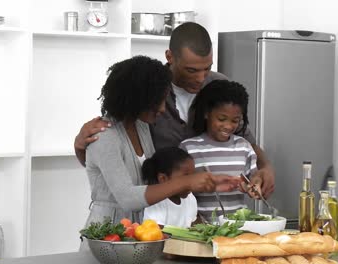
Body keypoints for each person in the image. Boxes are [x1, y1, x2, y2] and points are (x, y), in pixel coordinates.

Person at [74, 22, 275, 199]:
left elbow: (247, 141)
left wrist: (266, 168)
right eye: (191, 70)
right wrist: (80, 145)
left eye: (207, 68)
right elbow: (111, 156)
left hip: (211, 206)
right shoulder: (147, 93)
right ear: (169, 56)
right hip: (161, 206)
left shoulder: (219, 85)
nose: (201, 78)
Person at [83, 55, 239, 228]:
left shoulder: (141, 126)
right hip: (107, 235)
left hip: (140, 236)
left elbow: (157, 176)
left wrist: (208, 180)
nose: (163, 108)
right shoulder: (104, 136)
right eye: (157, 101)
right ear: (137, 98)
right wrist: (187, 181)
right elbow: (128, 199)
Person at [180, 80, 261, 222]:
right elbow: (181, 191)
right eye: (222, 119)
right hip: (200, 228)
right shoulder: (189, 148)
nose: (228, 126)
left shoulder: (244, 147)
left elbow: (253, 179)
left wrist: (253, 186)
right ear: (206, 113)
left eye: (235, 121)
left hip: (239, 227)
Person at [141, 147, 198, 228]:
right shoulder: (156, 203)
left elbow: (193, 227)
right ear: (163, 179)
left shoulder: (190, 198)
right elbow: (157, 233)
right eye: (186, 177)